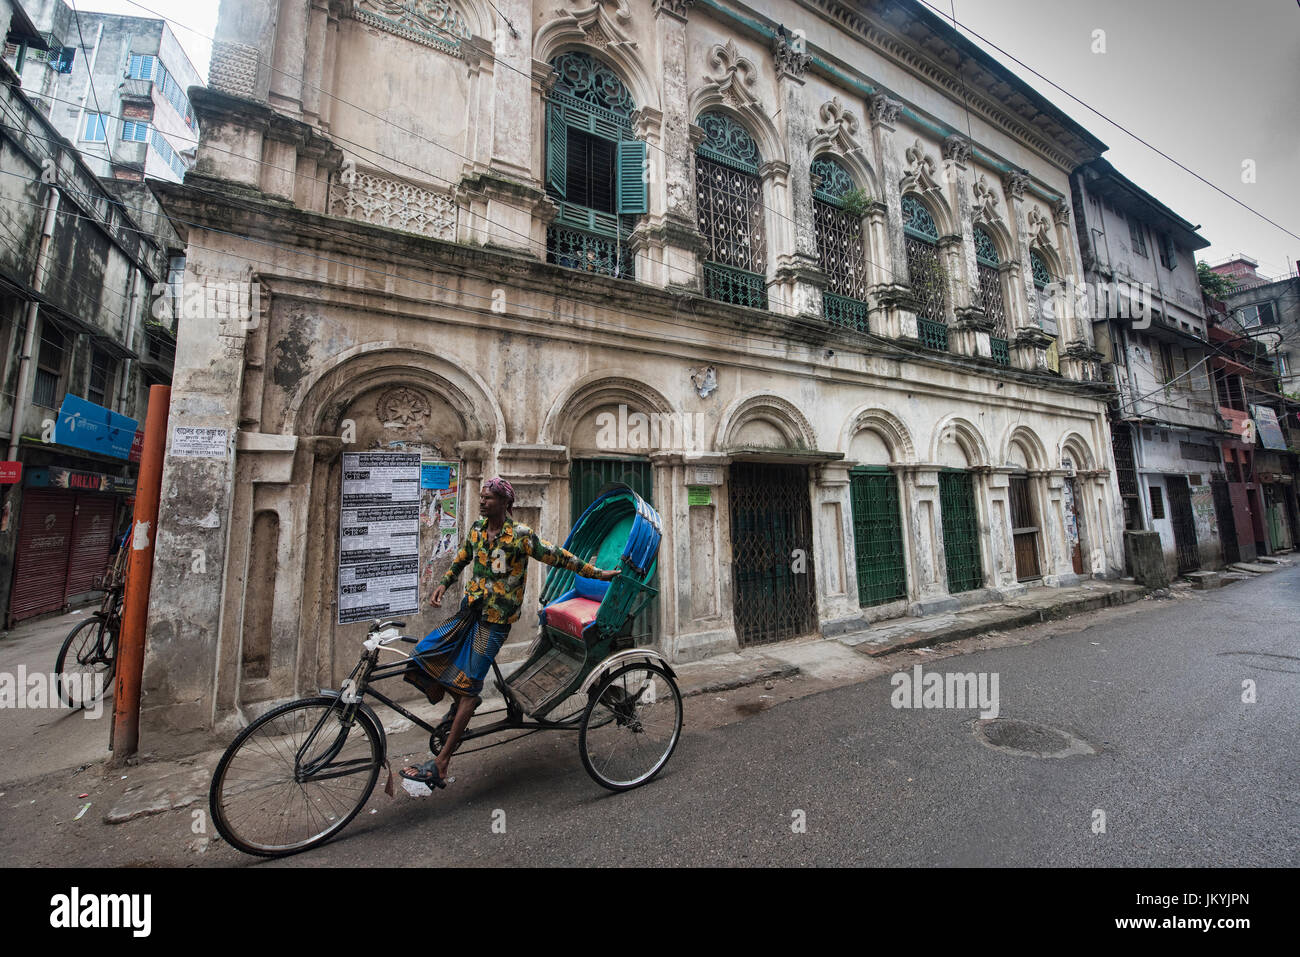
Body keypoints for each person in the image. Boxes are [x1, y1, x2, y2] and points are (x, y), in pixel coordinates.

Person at [400, 477, 619, 788]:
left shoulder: (520, 537)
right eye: (482, 497)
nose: (482, 501)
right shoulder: (477, 530)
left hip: (495, 621)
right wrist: (442, 585)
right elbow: (461, 559)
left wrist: (598, 573)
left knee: (468, 690)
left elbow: (559, 556)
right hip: (470, 611)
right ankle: (458, 705)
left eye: (489, 498)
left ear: (505, 503)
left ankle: (442, 762)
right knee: (424, 654)